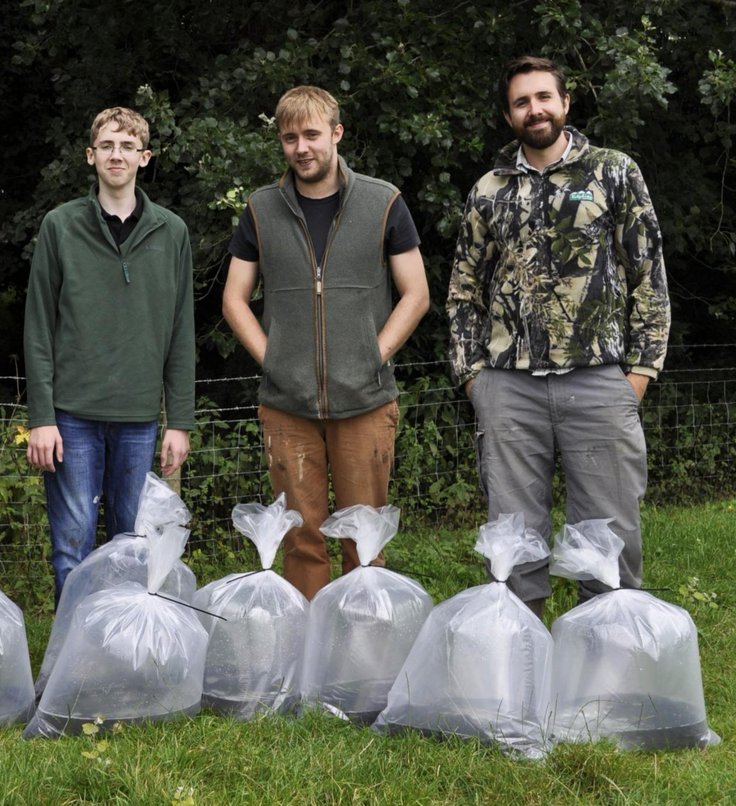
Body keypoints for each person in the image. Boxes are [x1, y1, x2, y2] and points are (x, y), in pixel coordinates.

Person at [447, 56, 671, 615]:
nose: (535, 109)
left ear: (565, 104)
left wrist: (640, 373)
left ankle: (609, 662)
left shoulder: (613, 171)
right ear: (509, 115)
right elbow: (463, 290)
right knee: (513, 544)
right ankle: (523, 663)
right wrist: (474, 378)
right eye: (522, 102)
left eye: (544, 97)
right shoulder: (489, 190)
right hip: (508, 388)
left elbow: (648, 272)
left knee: (609, 537)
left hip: (598, 380)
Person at [223, 86, 429, 600]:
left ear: (336, 134)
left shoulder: (383, 203)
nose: (301, 147)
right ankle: (309, 655)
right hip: (287, 405)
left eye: (312, 134)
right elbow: (233, 299)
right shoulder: (261, 209)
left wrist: (372, 355)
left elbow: (417, 294)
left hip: (364, 400)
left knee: (364, 540)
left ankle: (361, 655)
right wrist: (273, 359)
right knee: (301, 539)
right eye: (290, 137)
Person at [24, 107, 195, 604]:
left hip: (139, 419)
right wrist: (41, 417)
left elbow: (181, 331)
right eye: (106, 145)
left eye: (127, 146)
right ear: (90, 155)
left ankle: (122, 659)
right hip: (71, 417)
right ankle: (69, 667)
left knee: (134, 546)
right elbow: (37, 328)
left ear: (144, 157)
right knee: (71, 549)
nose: (116, 154)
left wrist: (178, 420)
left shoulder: (172, 232)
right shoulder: (60, 227)